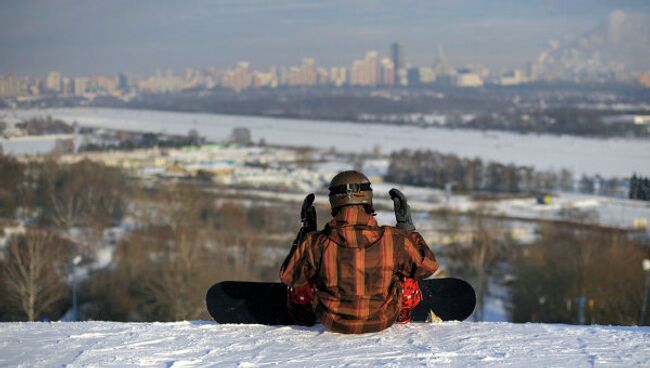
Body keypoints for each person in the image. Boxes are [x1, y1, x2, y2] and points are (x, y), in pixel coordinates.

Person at [279, 170, 438, 334]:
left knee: (305, 269)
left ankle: (304, 315)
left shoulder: (316, 242)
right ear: (368, 200)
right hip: (383, 320)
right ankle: (402, 314)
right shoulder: (394, 239)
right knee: (406, 265)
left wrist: (306, 234)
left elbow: (288, 276)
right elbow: (428, 266)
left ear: (334, 203)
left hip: (333, 321)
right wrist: (408, 230)